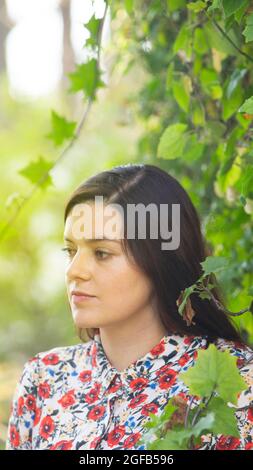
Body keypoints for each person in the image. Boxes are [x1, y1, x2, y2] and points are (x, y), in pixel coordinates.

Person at [6, 163, 253, 450]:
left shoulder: (234, 377)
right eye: (71, 251)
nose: (75, 270)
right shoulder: (44, 377)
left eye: (102, 253)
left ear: (159, 260)